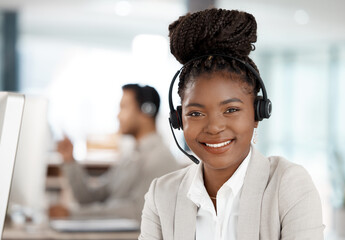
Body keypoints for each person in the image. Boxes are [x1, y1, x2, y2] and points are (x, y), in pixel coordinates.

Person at [139, 8, 324, 240]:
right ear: (178, 120)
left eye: (231, 110)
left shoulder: (288, 186)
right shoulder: (162, 194)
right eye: (196, 113)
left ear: (258, 113)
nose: (214, 127)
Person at [57, 84, 181, 221]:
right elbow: (91, 197)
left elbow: (137, 212)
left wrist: (73, 214)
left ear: (147, 110)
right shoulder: (130, 157)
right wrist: (70, 161)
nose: (118, 116)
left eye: (124, 107)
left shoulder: (159, 159)